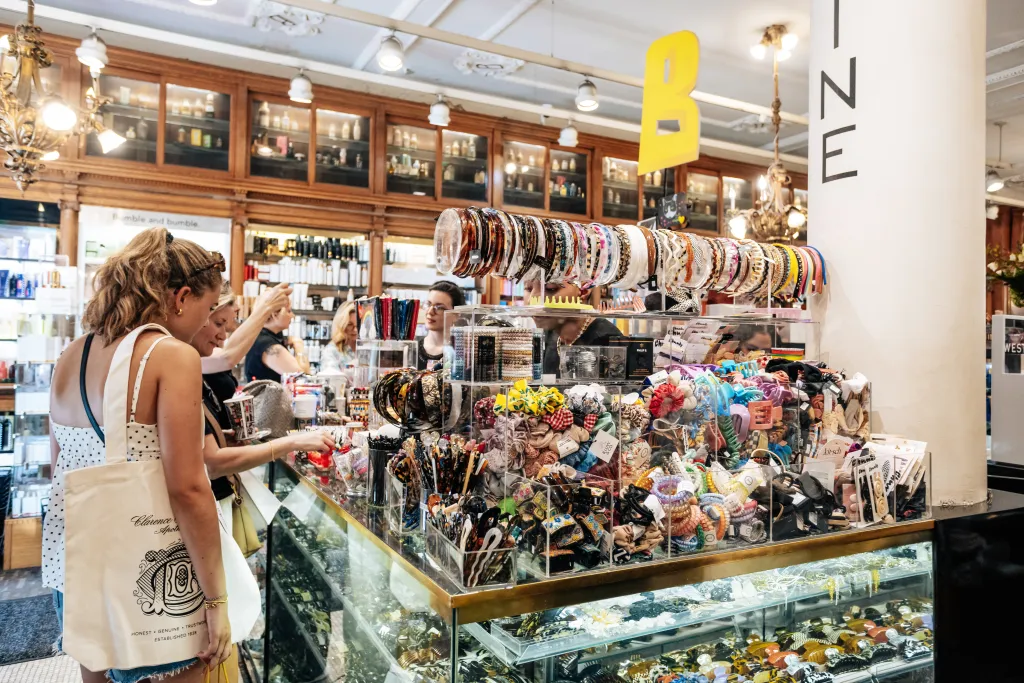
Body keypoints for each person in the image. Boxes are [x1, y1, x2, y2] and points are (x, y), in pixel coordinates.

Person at [47, 228, 232, 683]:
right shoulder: (170, 355)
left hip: (77, 561)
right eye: (208, 309)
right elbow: (188, 488)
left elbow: (61, 468)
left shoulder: (72, 354)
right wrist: (216, 601)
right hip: (152, 568)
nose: (207, 322)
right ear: (181, 297)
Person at [192, 282, 335, 527]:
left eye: (228, 325)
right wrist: (290, 442)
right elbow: (212, 463)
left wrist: (221, 438)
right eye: (218, 323)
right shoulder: (188, 363)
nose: (224, 336)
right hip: (207, 501)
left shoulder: (195, 362)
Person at [200, 281, 291, 402]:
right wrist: (265, 308)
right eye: (219, 323)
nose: (223, 336)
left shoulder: (211, 345)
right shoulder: (190, 354)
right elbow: (227, 357)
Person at [526, 279, 623, 375]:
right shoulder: (547, 335)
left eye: (550, 289)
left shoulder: (606, 339)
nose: (532, 300)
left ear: (583, 290)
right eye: (528, 289)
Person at [244, 299, 310, 383]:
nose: (292, 316)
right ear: (274, 314)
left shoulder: (261, 338)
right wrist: (299, 346)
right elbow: (305, 381)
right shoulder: (268, 345)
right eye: (289, 311)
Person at [418, 281, 465, 371]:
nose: (430, 312)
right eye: (428, 304)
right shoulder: (411, 348)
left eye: (439, 307)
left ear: (456, 314)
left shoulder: (462, 353)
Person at [320, 300, 358, 372]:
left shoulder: (367, 348)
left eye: (358, 325)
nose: (355, 329)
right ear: (341, 325)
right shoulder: (331, 351)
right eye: (350, 325)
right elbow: (331, 379)